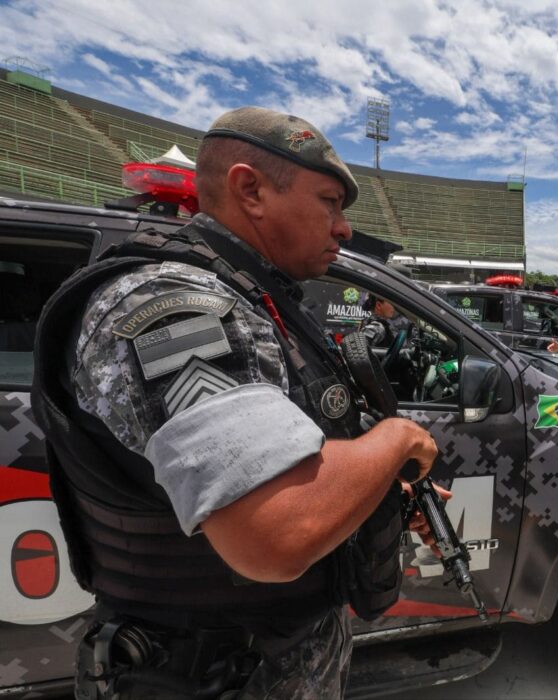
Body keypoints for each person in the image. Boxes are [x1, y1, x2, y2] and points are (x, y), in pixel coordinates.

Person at [31, 106, 444, 699]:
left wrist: (375, 484)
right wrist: (396, 438)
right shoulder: (174, 304)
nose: (344, 228)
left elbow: (286, 452)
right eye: (329, 201)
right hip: (205, 674)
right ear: (249, 189)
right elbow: (274, 532)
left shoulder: (255, 298)